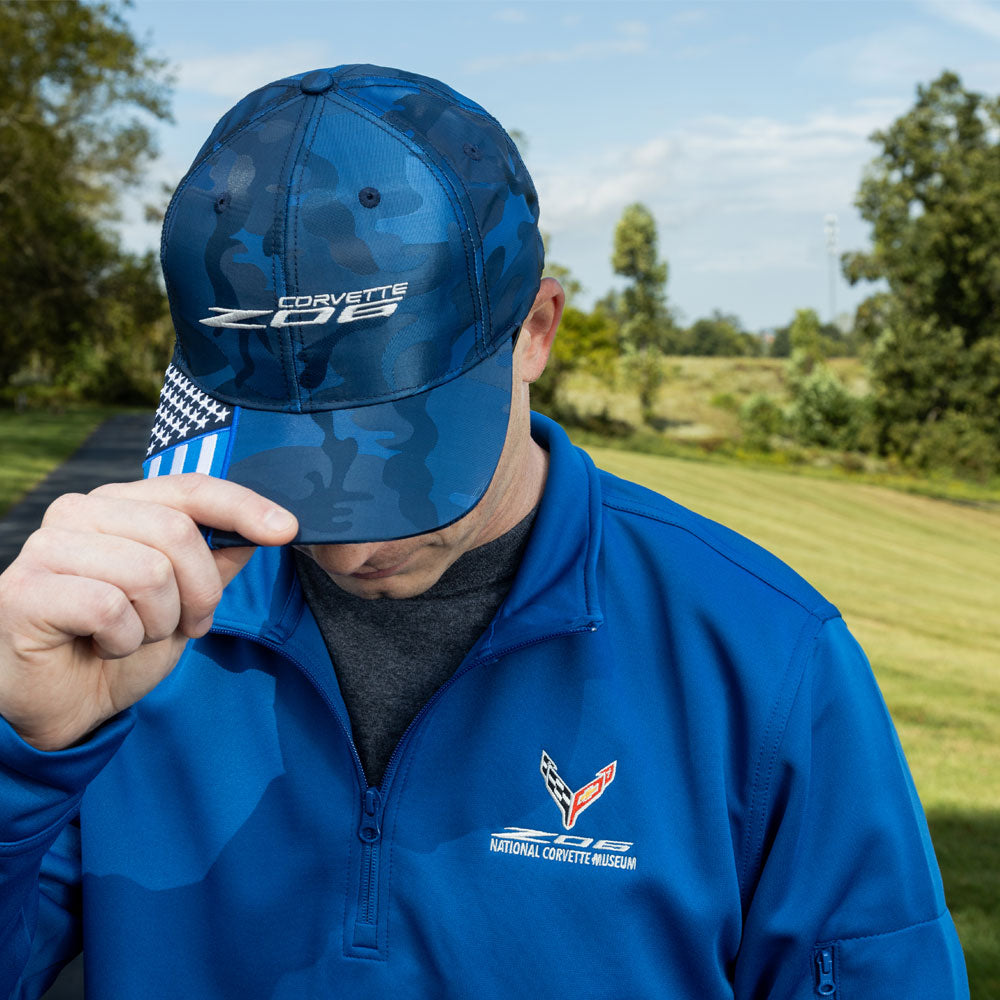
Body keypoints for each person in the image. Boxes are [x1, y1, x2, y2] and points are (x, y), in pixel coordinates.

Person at [0, 64, 968, 999]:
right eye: (284, 457)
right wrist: (21, 751)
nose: (342, 548)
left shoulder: (762, 655)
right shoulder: (128, 616)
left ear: (536, 329)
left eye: (404, 456)